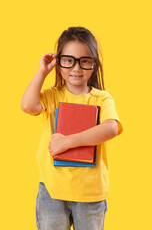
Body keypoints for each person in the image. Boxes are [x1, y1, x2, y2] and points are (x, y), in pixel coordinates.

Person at [21, 26, 123, 230]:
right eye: (69, 60)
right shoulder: (52, 96)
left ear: (93, 65)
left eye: (84, 61)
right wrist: (42, 72)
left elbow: (111, 128)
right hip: (52, 191)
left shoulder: (102, 98)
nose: (76, 68)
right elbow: (27, 106)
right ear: (58, 63)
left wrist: (67, 141)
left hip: (90, 193)